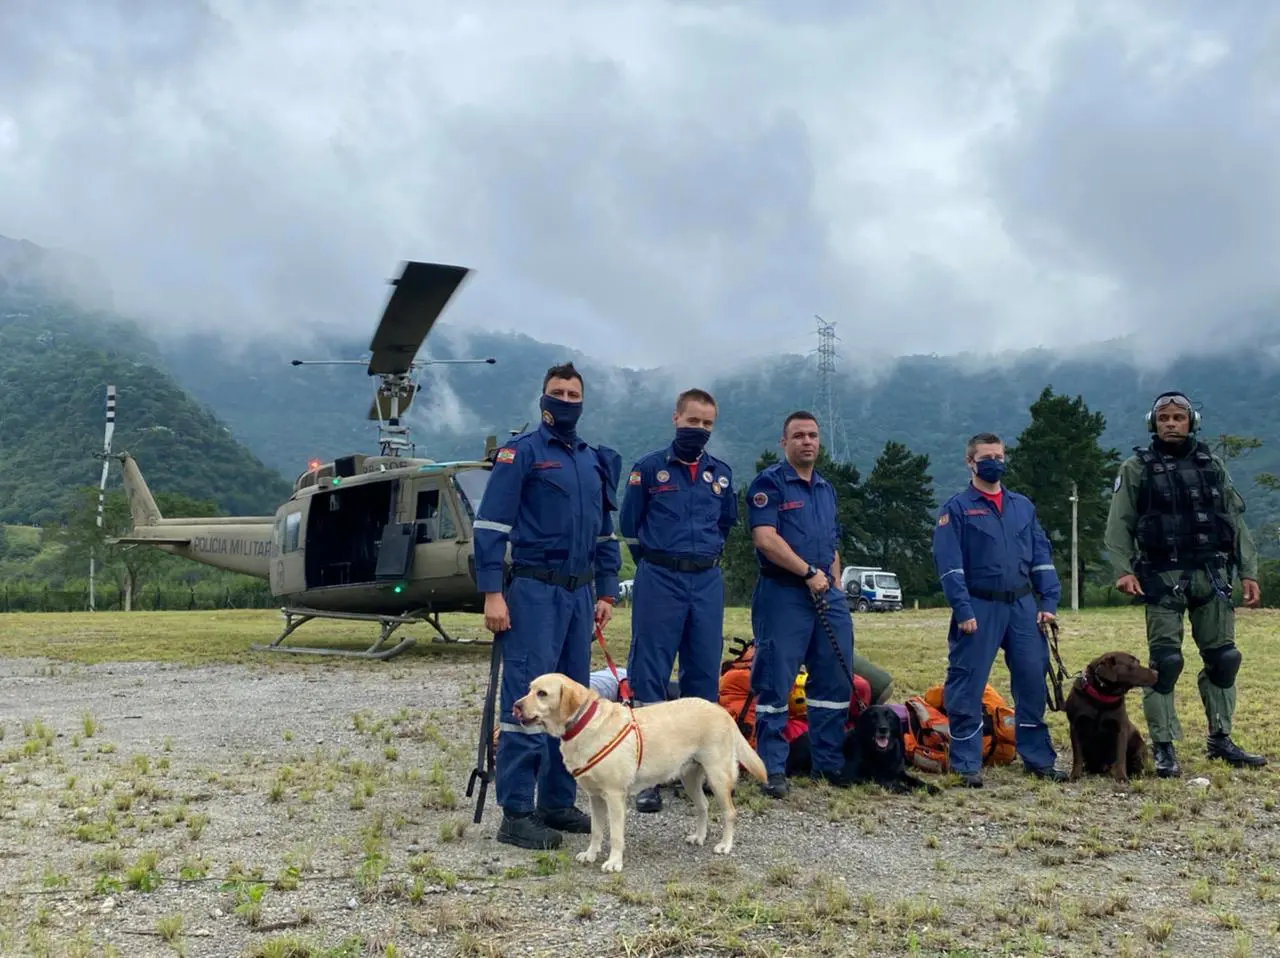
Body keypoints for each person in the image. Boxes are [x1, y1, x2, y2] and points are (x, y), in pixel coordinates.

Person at [472, 361, 624, 850]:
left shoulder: (591, 460)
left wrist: (604, 590)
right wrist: (493, 592)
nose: (566, 399)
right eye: (558, 392)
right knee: (527, 699)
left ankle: (557, 804)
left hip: (579, 595)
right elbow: (491, 527)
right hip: (533, 592)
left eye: (574, 393)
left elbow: (604, 531)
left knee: (571, 704)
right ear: (543, 399)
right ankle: (516, 813)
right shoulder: (522, 454)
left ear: (583, 401)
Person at [1104, 391, 1265, 777]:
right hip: (1162, 578)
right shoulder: (1136, 468)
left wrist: (1249, 571)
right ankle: (1163, 747)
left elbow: (1234, 520)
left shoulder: (1214, 465)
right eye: (1164, 418)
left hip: (1213, 576)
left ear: (1190, 421)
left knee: (1224, 659)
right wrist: (1123, 569)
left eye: (1178, 417)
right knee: (1165, 664)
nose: (1171, 423)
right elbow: (1119, 523)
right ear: (1153, 424)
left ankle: (1221, 739)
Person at [619, 387, 737, 813]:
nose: (700, 430)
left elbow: (724, 525)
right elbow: (629, 525)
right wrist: (656, 562)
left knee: (703, 672)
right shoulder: (649, 469)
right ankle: (647, 775)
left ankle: (697, 771)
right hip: (660, 577)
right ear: (676, 419)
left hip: (705, 581)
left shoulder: (720, 475)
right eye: (693, 422)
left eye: (707, 424)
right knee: (650, 670)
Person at [930, 432, 1066, 788]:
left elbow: (1041, 557)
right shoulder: (956, 510)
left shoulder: (1023, 507)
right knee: (966, 685)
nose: (995, 462)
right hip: (978, 605)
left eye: (999, 456)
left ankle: (1038, 759)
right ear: (970, 462)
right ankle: (966, 763)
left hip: (1023, 607)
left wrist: (1047, 603)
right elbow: (949, 566)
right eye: (987, 456)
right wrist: (962, 609)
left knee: (1032, 682)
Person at [744, 410, 855, 798]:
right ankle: (772, 768)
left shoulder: (825, 488)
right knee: (775, 682)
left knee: (834, 682)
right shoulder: (769, 484)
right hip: (784, 594)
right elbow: (765, 538)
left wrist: (834, 581)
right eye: (798, 436)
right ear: (784, 442)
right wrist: (807, 572)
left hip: (826, 594)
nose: (807, 441)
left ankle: (828, 762)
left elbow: (832, 541)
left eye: (812, 435)